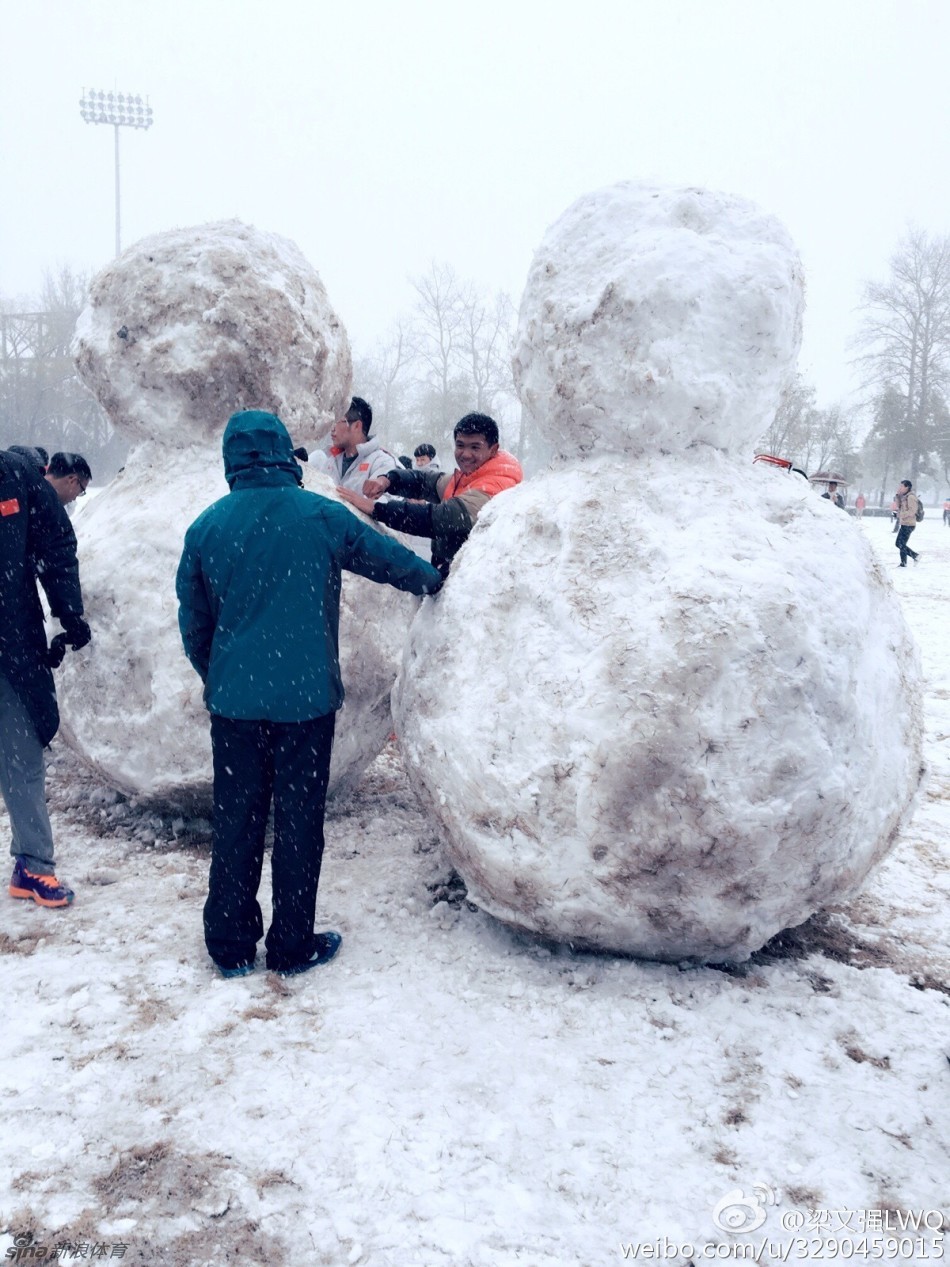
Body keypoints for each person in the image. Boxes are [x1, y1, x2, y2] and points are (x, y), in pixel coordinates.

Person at [176, 409, 442, 979]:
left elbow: (194, 625)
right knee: (298, 822)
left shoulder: (207, 527)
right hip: (306, 702)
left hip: (236, 706)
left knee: (237, 819)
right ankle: (292, 943)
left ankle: (230, 944)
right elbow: (386, 560)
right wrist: (434, 580)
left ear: (231, 460)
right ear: (281, 452)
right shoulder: (319, 515)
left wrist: (221, 675)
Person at [1, 449, 91, 908]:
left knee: (20, 754)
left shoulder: (13, 476)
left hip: (9, 645)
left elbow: (55, 546)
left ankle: (33, 866)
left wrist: (69, 613)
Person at [339, 412, 523, 573]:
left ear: (493, 449)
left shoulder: (494, 485)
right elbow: (425, 481)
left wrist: (376, 509)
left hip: (475, 590)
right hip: (452, 575)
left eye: (475, 447)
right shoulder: (469, 477)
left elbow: (438, 519)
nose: (465, 454)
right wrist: (387, 480)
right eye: (460, 445)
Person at [313, 396, 398, 493]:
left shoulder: (381, 462)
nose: (332, 428)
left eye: (337, 421)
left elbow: (377, 505)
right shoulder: (331, 461)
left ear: (357, 426)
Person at [894, 480, 920, 566]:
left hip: (909, 524)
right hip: (905, 523)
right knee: (901, 543)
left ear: (907, 487)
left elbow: (912, 511)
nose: (900, 488)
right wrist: (897, 496)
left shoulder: (911, 497)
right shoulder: (904, 496)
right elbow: (899, 506)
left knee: (899, 543)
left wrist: (901, 515)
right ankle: (904, 562)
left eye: (901, 486)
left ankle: (915, 556)